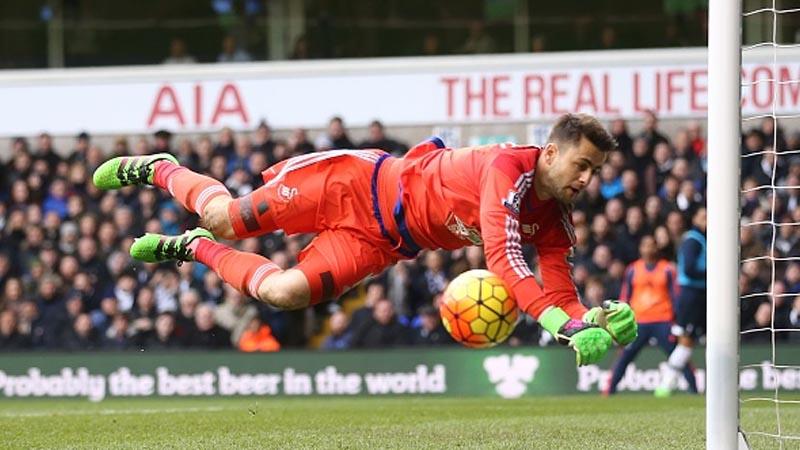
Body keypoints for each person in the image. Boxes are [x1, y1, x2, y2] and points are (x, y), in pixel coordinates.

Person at [92, 113, 638, 365]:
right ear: (550, 153)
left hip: (382, 243)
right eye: (582, 165)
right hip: (353, 185)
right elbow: (502, 255)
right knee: (225, 218)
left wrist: (588, 320)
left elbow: (562, 290)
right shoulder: (506, 169)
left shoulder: (555, 219)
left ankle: (190, 249)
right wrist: (561, 325)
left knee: (285, 293)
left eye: (595, 171)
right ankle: (164, 169)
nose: (588, 180)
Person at [604, 236, 697, 395]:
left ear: (657, 248)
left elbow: (675, 296)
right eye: (645, 245)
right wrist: (620, 318)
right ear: (640, 248)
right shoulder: (633, 269)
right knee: (625, 356)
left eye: (651, 245)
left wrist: (677, 320)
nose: (648, 249)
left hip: (663, 321)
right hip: (638, 321)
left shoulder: (667, 269)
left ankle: (694, 390)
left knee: (677, 355)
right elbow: (625, 296)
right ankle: (609, 391)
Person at [655, 206, 706, 397]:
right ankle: (666, 385)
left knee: (692, 341)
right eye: (703, 215)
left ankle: (700, 386)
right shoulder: (692, 240)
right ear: (695, 218)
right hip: (692, 295)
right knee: (686, 341)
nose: (707, 219)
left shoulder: (702, 239)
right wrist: (716, 272)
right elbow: (690, 269)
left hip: (700, 294)